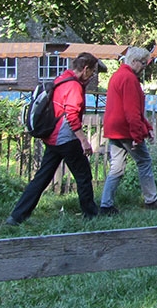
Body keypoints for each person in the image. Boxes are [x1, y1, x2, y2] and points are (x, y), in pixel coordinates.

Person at [6, 53, 105, 225]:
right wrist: (83, 140)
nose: (93, 75)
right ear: (86, 69)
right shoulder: (74, 86)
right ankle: (90, 214)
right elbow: (72, 116)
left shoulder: (63, 78)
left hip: (52, 137)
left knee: (42, 177)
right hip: (66, 138)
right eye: (93, 72)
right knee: (83, 175)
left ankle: (17, 216)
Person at [99, 47, 157, 215]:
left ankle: (106, 204)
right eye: (143, 63)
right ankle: (151, 199)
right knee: (144, 161)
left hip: (114, 130)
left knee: (116, 168)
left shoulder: (117, 75)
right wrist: (137, 136)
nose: (144, 67)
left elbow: (135, 110)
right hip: (125, 130)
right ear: (133, 61)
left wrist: (146, 127)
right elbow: (132, 112)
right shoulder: (129, 79)